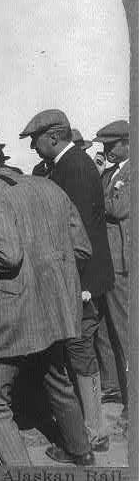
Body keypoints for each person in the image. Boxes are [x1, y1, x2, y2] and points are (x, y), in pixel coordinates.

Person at [0, 154, 94, 466]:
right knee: (56, 378)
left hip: (14, 313)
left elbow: (8, 255)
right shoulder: (46, 185)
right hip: (55, 310)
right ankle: (81, 451)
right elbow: (81, 248)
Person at [20, 109, 114, 456]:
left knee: (80, 355)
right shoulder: (68, 165)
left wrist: (80, 286)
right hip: (80, 280)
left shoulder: (73, 168)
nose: (31, 146)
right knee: (79, 354)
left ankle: (93, 433)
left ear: (54, 136)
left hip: (81, 283)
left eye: (35, 139)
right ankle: (92, 428)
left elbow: (79, 234)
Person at [94, 120, 130, 432]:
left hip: (122, 265)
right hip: (111, 263)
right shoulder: (112, 172)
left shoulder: (129, 173)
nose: (106, 150)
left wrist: (96, 201)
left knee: (125, 335)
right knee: (112, 333)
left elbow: (118, 208)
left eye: (112, 144)